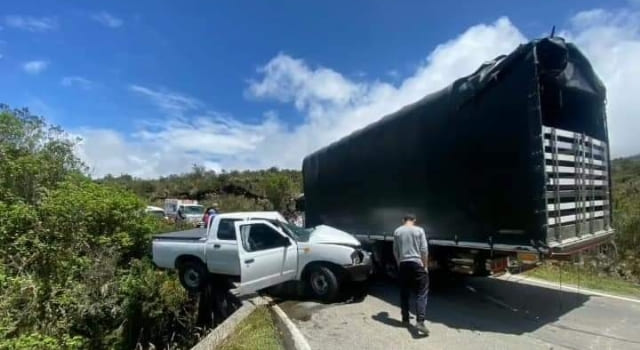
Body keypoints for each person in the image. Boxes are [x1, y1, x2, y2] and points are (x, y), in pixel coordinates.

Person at [393, 213, 429, 335]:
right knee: (421, 293)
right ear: (414, 220)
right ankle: (420, 322)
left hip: (403, 264)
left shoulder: (397, 231)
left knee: (404, 292)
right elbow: (424, 249)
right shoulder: (419, 230)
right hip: (416, 263)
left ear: (403, 220)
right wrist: (425, 266)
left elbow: (395, 250)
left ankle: (405, 319)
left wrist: (399, 264)